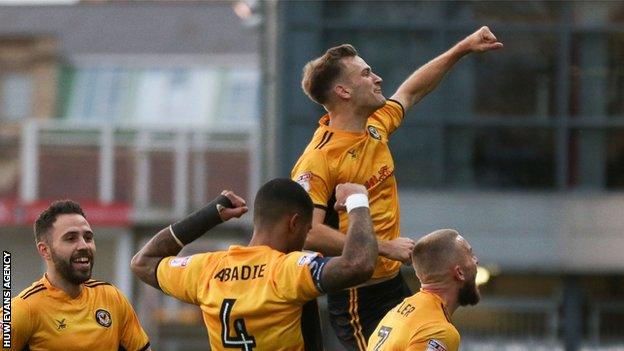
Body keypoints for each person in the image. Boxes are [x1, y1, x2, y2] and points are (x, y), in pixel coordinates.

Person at [291, 26, 502, 350]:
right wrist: (385, 247)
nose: (377, 79)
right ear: (343, 91)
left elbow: (412, 91)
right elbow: (307, 234)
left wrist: (462, 48)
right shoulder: (318, 159)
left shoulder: (375, 124)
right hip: (357, 296)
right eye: (365, 74)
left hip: (393, 283)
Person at [131, 178, 378, 350]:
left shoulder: (207, 269)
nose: (306, 239)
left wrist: (208, 216)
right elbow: (358, 265)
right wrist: (357, 201)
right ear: (293, 223)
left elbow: (144, 262)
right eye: (306, 230)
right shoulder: (286, 270)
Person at [5, 200, 151, 351]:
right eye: (71, 238)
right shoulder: (24, 309)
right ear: (45, 250)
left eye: (88, 238)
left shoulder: (112, 298)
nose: (83, 245)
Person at [366, 229, 480, 351]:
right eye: (470, 255)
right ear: (460, 273)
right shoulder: (439, 331)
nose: (476, 260)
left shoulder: (397, 311)